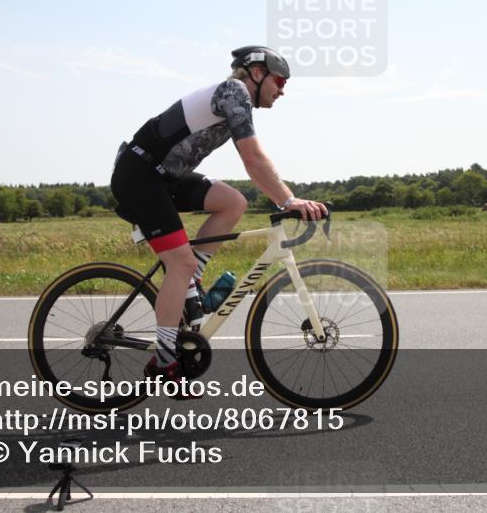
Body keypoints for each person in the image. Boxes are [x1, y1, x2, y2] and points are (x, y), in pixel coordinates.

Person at [110, 45, 329, 392]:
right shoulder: (234, 92)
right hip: (139, 176)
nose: (283, 90)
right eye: (280, 80)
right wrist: (288, 199)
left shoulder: (236, 100)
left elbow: (253, 164)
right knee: (178, 264)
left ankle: (191, 282)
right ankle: (165, 361)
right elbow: (253, 159)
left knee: (233, 203)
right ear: (256, 73)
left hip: (161, 176)